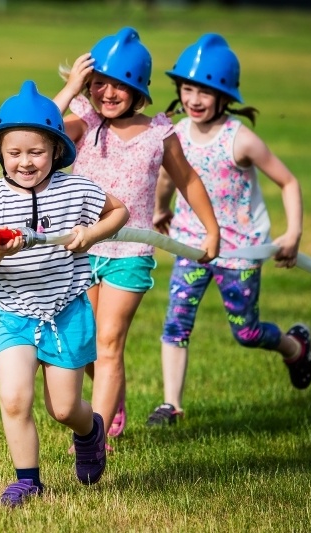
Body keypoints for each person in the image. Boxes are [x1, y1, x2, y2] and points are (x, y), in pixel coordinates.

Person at [53, 27, 221, 445]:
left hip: (130, 253)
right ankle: (115, 402)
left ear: (138, 88)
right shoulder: (84, 122)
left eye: (119, 86)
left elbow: (188, 180)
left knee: (109, 342)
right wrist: (72, 87)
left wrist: (211, 229)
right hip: (82, 249)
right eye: (98, 84)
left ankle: (96, 438)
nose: (108, 93)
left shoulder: (159, 133)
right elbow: (42, 131)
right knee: (89, 344)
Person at [0, 80, 130, 507]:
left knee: (64, 409)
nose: (25, 162)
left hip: (67, 313)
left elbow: (120, 211)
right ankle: (28, 479)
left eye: (36, 152)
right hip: (16, 315)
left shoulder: (76, 190)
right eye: (14, 152)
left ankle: (89, 431)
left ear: (57, 150)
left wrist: (91, 233)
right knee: (14, 398)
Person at [146, 34, 311, 426]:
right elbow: (171, 178)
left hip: (239, 250)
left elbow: (288, 182)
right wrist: (160, 209)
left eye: (205, 91)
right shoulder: (177, 133)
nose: (194, 99)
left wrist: (293, 234)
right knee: (176, 323)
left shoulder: (240, 139)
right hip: (191, 244)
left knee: (247, 332)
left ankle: (295, 346)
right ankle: (171, 404)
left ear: (226, 96)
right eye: (187, 89)